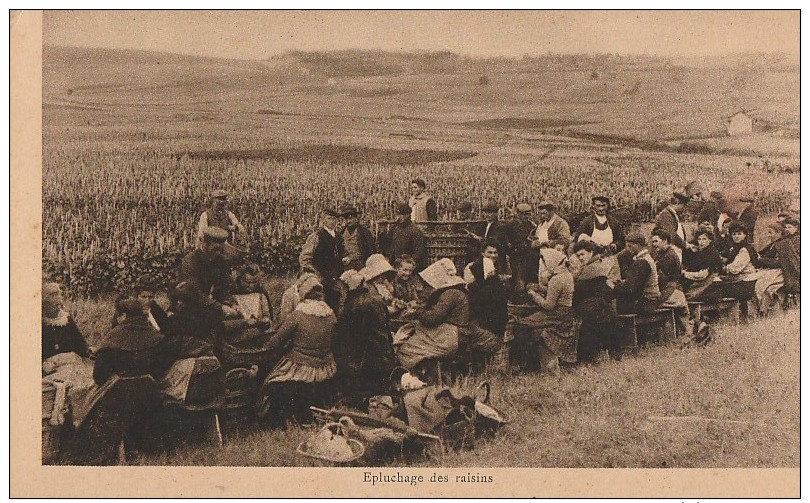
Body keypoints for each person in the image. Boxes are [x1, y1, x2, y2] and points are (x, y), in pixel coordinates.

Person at [255, 276, 338, 428]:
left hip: (302, 367)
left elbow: (277, 340)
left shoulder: (298, 315)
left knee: (271, 380)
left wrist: (264, 347)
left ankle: (276, 421)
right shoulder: (330, 314)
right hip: (326, 366)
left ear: (303, 294)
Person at [334, 270, 396, 408]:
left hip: (365, 357)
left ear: (348, 287)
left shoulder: (352, 305)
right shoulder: (377, 300)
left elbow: (343, 333)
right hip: (383, 353)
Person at [510, 248, 576, 373]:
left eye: (545, 263)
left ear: (551, 262)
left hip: (556, 315)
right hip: (566, 312)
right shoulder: (566, 274)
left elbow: (549, 305)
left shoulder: (557, 279)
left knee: (520, 324)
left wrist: (534, 295)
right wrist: (540, 287)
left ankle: (521, 364)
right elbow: (557, 293)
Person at [93, 298, 181, 386]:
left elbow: (99, 376)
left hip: (119, 392)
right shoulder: (158, 338)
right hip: (151, 391)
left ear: (123, 316)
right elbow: (164, 370)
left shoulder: (112, 338)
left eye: (117, 315)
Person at [571, 240, 620, 362]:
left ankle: (588, 357)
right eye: (578, 256)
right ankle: (606, 354)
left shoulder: (592, 268)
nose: (580, 258)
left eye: (582, 254)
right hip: (600, 305)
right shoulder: (596, 264)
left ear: (590, 252)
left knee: (589, 323)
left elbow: (578, 290)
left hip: (592, 306)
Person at [299, 207, 346, 311]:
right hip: (322, 280)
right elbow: (305, 258)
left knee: (335, 307)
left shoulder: (339, 237)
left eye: (334, 219)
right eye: (329, 219)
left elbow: (341, 254)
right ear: (324, 220)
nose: (332, 222)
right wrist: (316, 274)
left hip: (336, 278)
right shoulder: (316, 236)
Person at [178, 226, 234, 312]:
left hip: (211, 305)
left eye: (220, 249)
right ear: (204, 244)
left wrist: (229, 303)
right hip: (190, 306)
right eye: (215, 249)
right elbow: (195, 294)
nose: (218, 253)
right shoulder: (190, 262)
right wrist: (220, 307)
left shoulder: (220, 260)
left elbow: (224, 286)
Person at [463, 239, 509, 339]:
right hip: (478, 305)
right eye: (490, 252)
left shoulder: (499, 266)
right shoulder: (472, 267)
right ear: (482, 253)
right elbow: (470, 288)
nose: (493, 255)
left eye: (495, 253)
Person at [650, 228, 689, 337]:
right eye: (652, 241)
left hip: (672, 289)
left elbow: (661, 279)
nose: (653, 244)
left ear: (665, 241)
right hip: (669, 287)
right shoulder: (662, 254)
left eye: (656, 241)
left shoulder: (669, 256)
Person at [609, 232, 660, 315]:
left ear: (638, 245)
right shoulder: (647, 258)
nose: (628, 249)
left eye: (630, 246)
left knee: (613, 308)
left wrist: (613, 286)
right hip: (650, 301)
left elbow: (631, 289)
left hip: (646, 303)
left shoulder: (641, 262)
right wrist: (622, 283)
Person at [756, 222, 800, 311]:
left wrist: (761, 260)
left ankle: (765, 310)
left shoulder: (783, 244)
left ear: (779, 233)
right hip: (771, 271)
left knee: (764, 287)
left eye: (770, 232)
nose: (769, 235)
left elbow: (781, 263)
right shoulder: (774, 244)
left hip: (782, 273)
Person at [42, 282, 91, 361]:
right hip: (51, 366)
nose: (58, 308)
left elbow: (79, 341)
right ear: (44, 305)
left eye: (59, 305)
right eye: (53, 305)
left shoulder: (66, 319)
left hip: (70, 362)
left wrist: (86, 353)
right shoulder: (42, 324)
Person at [720, 222, 758, 306]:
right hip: (739, 281)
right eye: (734, 234)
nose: (736, 236)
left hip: (746, 285)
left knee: (718, 289)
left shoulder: (744, 250)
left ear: (744, 235)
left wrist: (723, 268)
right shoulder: (735, 248)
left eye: (739, 234)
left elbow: (734, 269)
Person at [681, 229, 725, 303]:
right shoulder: (703, 252)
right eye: (699, 239)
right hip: (703, 281)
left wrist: (684, 273)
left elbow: (702, 275)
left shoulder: (711, 253)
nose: (701, 242)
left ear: (710, 240)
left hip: (708, 283)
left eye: (704, 239)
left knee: (686, 295)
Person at [383, 203, 428, 271]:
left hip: (407, 267)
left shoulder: (414, 230)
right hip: (394, 265)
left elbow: (419, 251)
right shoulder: (395, 228)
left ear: (408, 215)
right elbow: (387, 243)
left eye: (402, 215)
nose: (399, 217)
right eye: (398, 215)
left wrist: (410, 263)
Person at [503, 203, 537, 291]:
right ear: (518, 213)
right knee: (518, 278)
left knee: (528, 278)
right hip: (516, 256)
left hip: (528, 256)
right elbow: (505, 241)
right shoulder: (509, 225)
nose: (526, 216)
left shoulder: (531, 225)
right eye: (524, 214)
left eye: (528, 214)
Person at [464, 200, 507, 269]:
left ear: (496, 214)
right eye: (486, 212)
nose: (488, 215)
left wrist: (479, 239)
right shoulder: (482, 225)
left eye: (491, 213)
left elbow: (494, 241)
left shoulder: (500, 226)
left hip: (494, 255)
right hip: (482, 254)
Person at [338, 204, 376, 272]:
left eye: (350, 218)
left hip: (361, 265)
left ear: (356, 218)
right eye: (346, 219)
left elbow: (371, 250)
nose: (348, 221)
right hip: (346, 266)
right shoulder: (341, 233)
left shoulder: (364, 232)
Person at [654, 191, 690, 258]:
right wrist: (685, 245)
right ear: (677, 202)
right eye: (683, 205)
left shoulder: (672, 214)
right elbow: (671, 235)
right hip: (665, 254)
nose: (684, 209)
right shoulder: (666, 215)